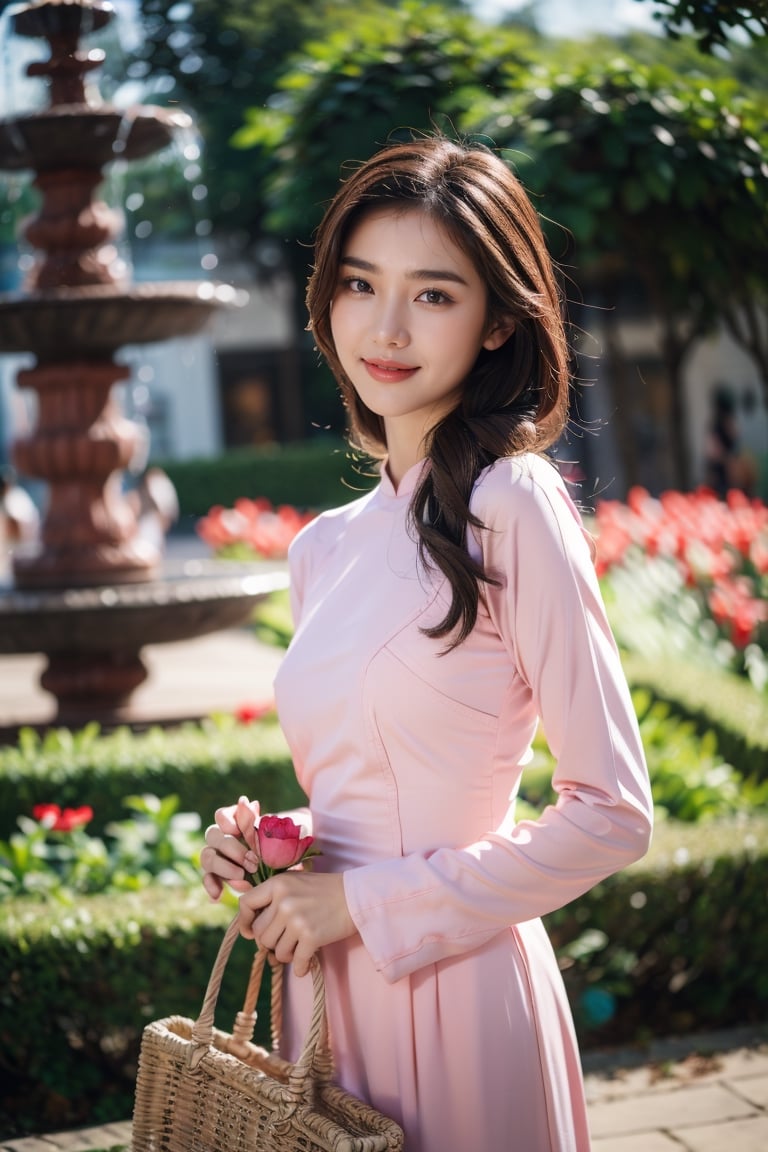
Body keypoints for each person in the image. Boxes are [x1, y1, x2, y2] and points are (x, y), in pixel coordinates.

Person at [200, 135, 653, 1152]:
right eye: (361, 284)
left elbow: (613, 816)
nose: (387, 326)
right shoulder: (325, 547)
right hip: (325, 1005)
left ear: (498, 323)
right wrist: (275, 844)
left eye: (435, 295)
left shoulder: (513, 502)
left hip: (457, 993)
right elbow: (381, 781)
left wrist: (364, 902)